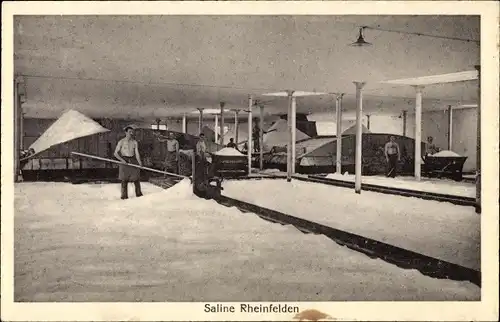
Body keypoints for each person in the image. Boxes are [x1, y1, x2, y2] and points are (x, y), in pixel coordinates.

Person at [114, 125, 143, 199]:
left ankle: (139, 195)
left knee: (136, 179)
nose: (131, 133)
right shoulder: (121, 141)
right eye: (129, 132)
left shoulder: (135, 142)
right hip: (124, 160)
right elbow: (115, 153)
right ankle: (124, 196)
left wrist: (140, 163)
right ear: (126, 132)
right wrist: (122, 160)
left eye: (132, 132)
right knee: (124, 180)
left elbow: (137, 153)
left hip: (132, 160)